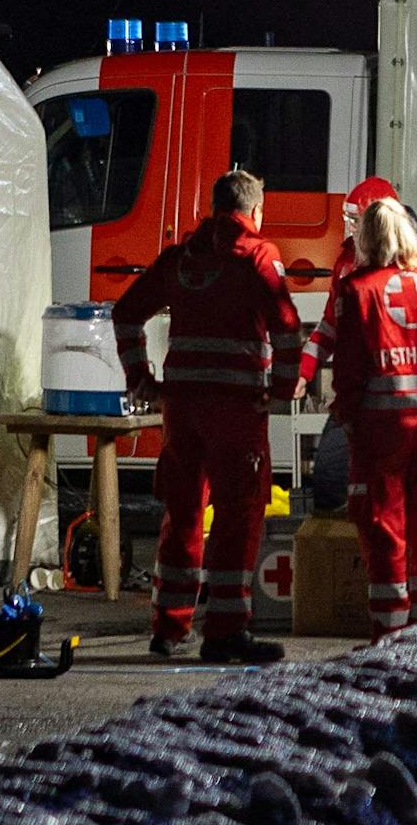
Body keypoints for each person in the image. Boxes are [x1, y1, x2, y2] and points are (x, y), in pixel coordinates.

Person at [114, 168, 303, 665]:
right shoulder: (258, 256)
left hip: (182, 409)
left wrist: (141, 379)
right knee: (238, 517)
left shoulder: (181, 258)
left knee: (183, 514)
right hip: (237, 409)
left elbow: (126, 313)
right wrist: (283, 390)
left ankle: (168, 627)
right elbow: (287, 328)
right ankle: (225, 630)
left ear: (216, 208)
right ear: (255, 211)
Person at [330, 196, 417, 641]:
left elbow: (348, 369)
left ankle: (389, 639)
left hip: (381, 432)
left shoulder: (357, 289)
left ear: (367, 239)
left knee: (385, 530)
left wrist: (347, 416)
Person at [295, 176, 402, 510]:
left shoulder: (409, 267)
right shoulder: (345, 263)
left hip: (396, 402)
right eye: (348, 219)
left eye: (355, 220)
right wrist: (303, 371)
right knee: (330, 479)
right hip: (355, 399)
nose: (349, 227)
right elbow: (330, 325)